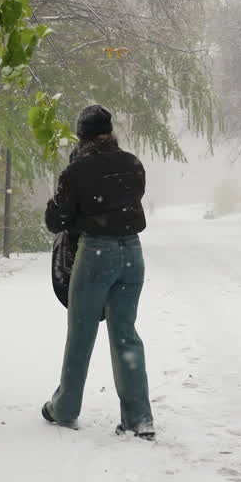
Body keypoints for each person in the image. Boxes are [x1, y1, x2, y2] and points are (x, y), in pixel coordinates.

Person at [41, 104, 154, 439]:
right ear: (109, 131)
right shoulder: (133, 164)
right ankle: (139, 418)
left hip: (96, 254)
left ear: (82, 135)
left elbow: (56, 220)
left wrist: (67, 208)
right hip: (132, 253)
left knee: (81, 332)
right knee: (125, 334)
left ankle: (65, 409)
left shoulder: (77, 170)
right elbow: (126, 203)